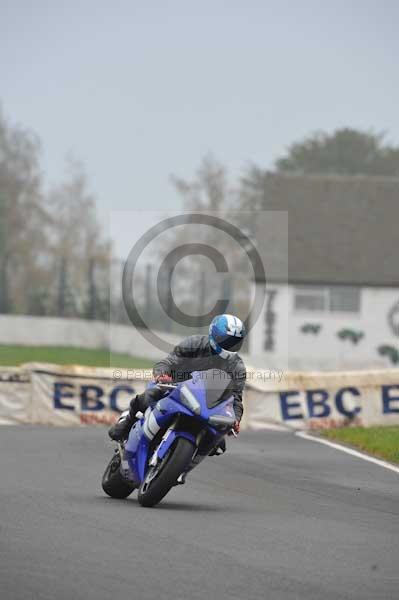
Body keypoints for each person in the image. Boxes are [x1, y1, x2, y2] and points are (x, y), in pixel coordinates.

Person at [109, 314, 247, 444]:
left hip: (207, 404)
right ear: (214, 335)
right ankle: (126, 423)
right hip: (173, 388)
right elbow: (167, 362)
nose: (230, 345)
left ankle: (183, 462)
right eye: (226, 340)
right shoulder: (194, 344)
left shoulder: (237, 367)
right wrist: (162, 375)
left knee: (218, 444)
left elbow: (236, 398)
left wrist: (235, 419)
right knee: (148, 396)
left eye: (234, 342)